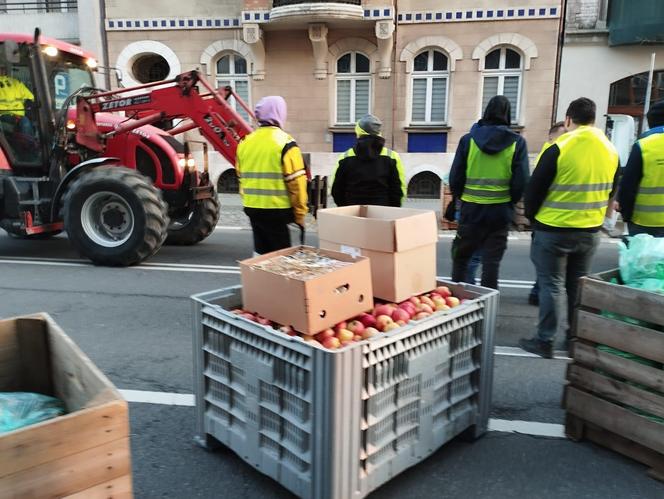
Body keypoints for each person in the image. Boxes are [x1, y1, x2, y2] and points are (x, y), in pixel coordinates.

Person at [520, 97, 619, 358]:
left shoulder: (559, 146)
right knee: (577, 286)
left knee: (551, 285)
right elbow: (612, 189)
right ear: (593, 119)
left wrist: (532, 218)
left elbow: (534, 189)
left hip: (553, 228)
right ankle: (575, 338)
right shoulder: (610, 149)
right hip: (589, 231)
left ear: (568, 120)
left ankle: (545, 340)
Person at [449, 95, 529, 289]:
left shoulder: (468, 141)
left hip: (471, 211)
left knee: (462, 259)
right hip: (500, 212)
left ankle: (458, 303)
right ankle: (487, 310)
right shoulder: (517, 143)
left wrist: (460, 198)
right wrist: (511, 201)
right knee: (491, 265)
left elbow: (455, 177)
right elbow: (522, 181)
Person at [236, 96, 308, 255]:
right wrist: (300, 214)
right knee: (285, 260)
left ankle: (260, 280)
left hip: (253, 208)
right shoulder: (286, 143)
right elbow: (297, 185)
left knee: (261, 255)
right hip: (280, 212)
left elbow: (241, 179)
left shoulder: (245, 143)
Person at [528, 121, 567, 306]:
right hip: (546, 218)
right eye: (561, 134)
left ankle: (537, 291)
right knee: (546, 268)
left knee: (548, 268)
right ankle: (537, 292)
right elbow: (536, 188)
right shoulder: (550, 152)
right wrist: (532, 216)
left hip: (554, 218)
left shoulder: (558, 150)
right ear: (551, 136)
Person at [331, 114, 406, 207]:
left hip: (351, 212)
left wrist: (344, 207)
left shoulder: (345, 157)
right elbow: (399, 189)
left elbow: (336, 188)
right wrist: (393, 209)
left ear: (358, 132)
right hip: (383, 212)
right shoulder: (392, 156)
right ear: (379, 132)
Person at [617, 100, 664, 237]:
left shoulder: (643, 145)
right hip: (644, 224)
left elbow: (628, 186)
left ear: (650, 122)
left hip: (644, 223)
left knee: (644, 258)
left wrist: (626, 215)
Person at [0, 69, 34, 136]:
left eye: (2, 68)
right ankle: (27, 145)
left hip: (19, 116)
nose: (2, 70)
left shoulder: (15, 83)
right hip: (2, 116)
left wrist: (30, 106)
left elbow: (31, 98)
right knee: (25, 123)